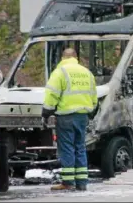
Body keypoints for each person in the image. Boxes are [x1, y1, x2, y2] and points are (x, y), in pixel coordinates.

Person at [42, 48, 98, 192]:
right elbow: (94, 97)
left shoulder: (60, 72)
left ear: (63, 58)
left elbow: (51, 95)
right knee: (80, 147)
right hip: (83, 116)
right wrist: (90, 112)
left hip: (66, 116)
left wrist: (46, 113)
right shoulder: (87, 73)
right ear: (76, 58)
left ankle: (68, 181)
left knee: (67, 148)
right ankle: (82, 182)